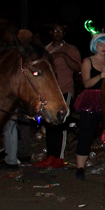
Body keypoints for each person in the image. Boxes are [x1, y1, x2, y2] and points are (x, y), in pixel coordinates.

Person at [35, 24, 81, 169]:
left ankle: (59, 158)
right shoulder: (46, 49)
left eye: (61, 31)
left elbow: (77, 68)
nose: (58, 34)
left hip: (65, 90)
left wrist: (63, 56)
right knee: (49, 122)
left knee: (61, 121)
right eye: (55, 31)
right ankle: (50, 156)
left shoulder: (70, 49)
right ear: (50, 32)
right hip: (49, 91)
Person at [73, 33, 105, 181]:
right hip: (91, 99)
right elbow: (86, 84)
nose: (103, 47)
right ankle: (80, 168)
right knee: (86, 134)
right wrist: (100, 76)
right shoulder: (87, 61)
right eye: (100, 44)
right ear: (94, 45)